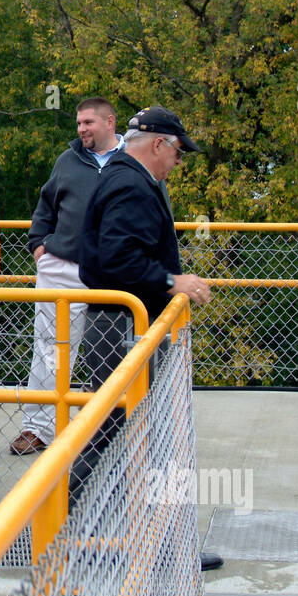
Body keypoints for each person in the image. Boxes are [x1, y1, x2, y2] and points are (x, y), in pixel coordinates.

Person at [77, 105, 221, 570]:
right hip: (125, 328)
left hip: (121, 326)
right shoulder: (131, 184)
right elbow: (115, 261)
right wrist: (170, 281)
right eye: (178, 153)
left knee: (123, 433)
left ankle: (126, 538)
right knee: (121, 434)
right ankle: (81, 533)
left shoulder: (124, 178)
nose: (178, 163)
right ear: (158, 143)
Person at [13, 97, 124, 455]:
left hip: (117, 274)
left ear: (110, 122)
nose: (81, 130)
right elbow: (45, 207)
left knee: (118, 350)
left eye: (89, 122)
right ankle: (39, 428)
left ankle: (112, 427)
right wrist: (39, 247)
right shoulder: (68, 160)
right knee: (50, 349)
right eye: (78, 123)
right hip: (64, 270)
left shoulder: (132, 162)